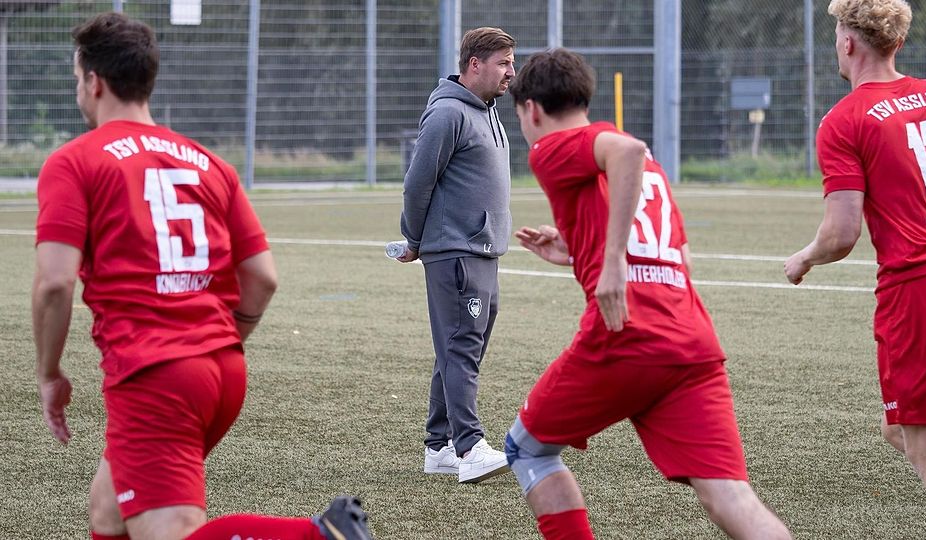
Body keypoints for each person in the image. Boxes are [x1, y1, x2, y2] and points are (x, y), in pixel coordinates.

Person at [32, 12, 370, 540]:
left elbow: (54, 284)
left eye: (78, 79)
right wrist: (222, 339)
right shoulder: (209, 162)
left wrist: (50, 373)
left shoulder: (75, 161)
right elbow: (262, 276)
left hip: (156, 374)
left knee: (173, 532)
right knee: (109, 510)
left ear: (94, 82)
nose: (79, 89)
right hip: (223, 371)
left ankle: (318, 535)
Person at [506, 49, 792, 539]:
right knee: (729, 496)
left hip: (627, 338)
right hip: (691, 342)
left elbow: (626, 151)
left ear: (531, 109)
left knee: (526, 449)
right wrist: (581, 252)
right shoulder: (652, 169)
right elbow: (672, 253)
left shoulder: (556, 149)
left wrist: (611, 260)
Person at [785, 0, 926, 536]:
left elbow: (840, 235)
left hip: (922, 284)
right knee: (901, 428)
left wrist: (804, 257)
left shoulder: (845, 119)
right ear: (898, 43)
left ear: (846, 42)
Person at [398, 27, 515, 483]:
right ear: (475, 65)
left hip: (483, 250)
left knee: (460, 345)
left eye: (511, 62)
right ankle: (469, 448)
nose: (511, 72)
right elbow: (417, 181)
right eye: (503, 63)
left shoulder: (488, 111)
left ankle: (439, 445)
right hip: (455, 252)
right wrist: (413, 237)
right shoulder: (448, 113)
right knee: (461, 346)